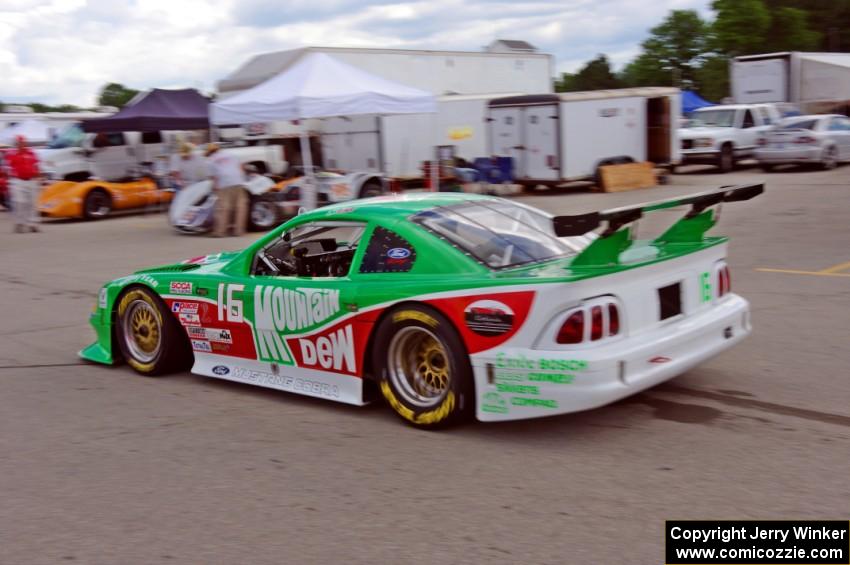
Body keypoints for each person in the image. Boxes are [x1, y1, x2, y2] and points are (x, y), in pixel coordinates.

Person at [205, 143, 248, 237]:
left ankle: (220, 232)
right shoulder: (231, 154)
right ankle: (239, 231)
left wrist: (215, 187)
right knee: (240, 207)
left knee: (223, 208)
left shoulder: (210, 160)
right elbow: (241, 167)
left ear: (209, 152)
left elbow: (214, 177)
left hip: (224, 183)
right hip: (238, 181)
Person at [5, 135, 42, 233]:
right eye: (20, 143)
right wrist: (8, 180)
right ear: (16, 144)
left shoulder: (31, 153)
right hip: (17, 181)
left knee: (33, 203)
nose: (22, 144)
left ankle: (33, 224)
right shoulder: (11, 154)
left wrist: (39, 177)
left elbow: (36, 165)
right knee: (19, 202)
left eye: (23, 142)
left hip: (32, 180)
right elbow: (7, 168)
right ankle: (19, 223)